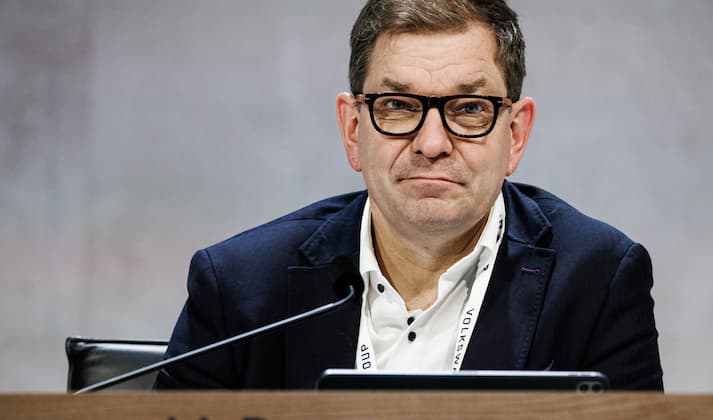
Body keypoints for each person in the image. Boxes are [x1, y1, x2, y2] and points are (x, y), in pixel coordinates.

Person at [155, 0, 663, 390]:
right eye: (398, 105)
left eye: (469, 109)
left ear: (515, 134)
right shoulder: (240, 289)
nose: (432, 144)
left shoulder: (597, 281)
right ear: (353, 129)